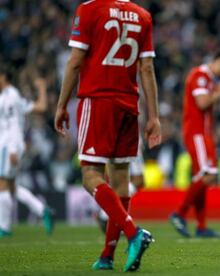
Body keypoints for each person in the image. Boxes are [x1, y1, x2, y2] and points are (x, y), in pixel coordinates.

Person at [54, 0, 161, 272]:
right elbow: (146, 68)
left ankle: (134, 233)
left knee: (90, 175)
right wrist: (154, 117)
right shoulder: (142, 16)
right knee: (121, 181)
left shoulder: (89, 10)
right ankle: (107, 255)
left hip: (98, 99)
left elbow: (76, 62)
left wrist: (61, 104)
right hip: (129, 104)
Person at [170, 49, 220, 238]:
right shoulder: (200, 75)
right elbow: (202, 103)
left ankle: (201, 226)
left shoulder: (209, 79)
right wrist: (217, 95)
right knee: (206, 175)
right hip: (196, 133)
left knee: (204, 176)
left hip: (204, 133)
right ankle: (179, 214)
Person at [0, 66, 54, 238]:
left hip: (9, 145)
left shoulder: (9, 97)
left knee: (3, 184)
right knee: (12, 186)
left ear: (3, 77)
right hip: (12, 144)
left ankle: (4, 227)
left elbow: (13, 125)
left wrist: (13, 149)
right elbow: (41, 106)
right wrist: (42, 88)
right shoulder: (13, 96)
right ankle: (43, 210)